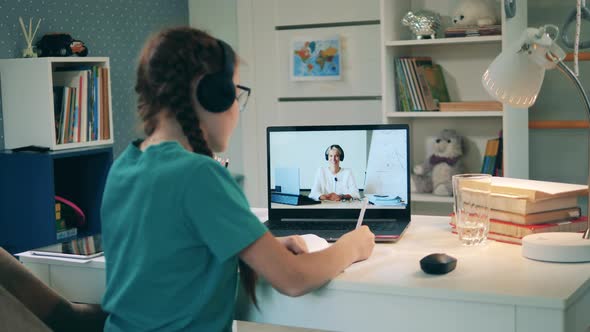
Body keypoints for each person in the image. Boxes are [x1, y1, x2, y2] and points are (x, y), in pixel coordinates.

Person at [100, 27, 375, 332]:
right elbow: (294, 279)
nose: (236, 108)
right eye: (235, 93)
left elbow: (169, 256)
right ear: (212, 94)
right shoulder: (199, 174)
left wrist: (257, 247)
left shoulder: (125, 165)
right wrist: (352, 245)